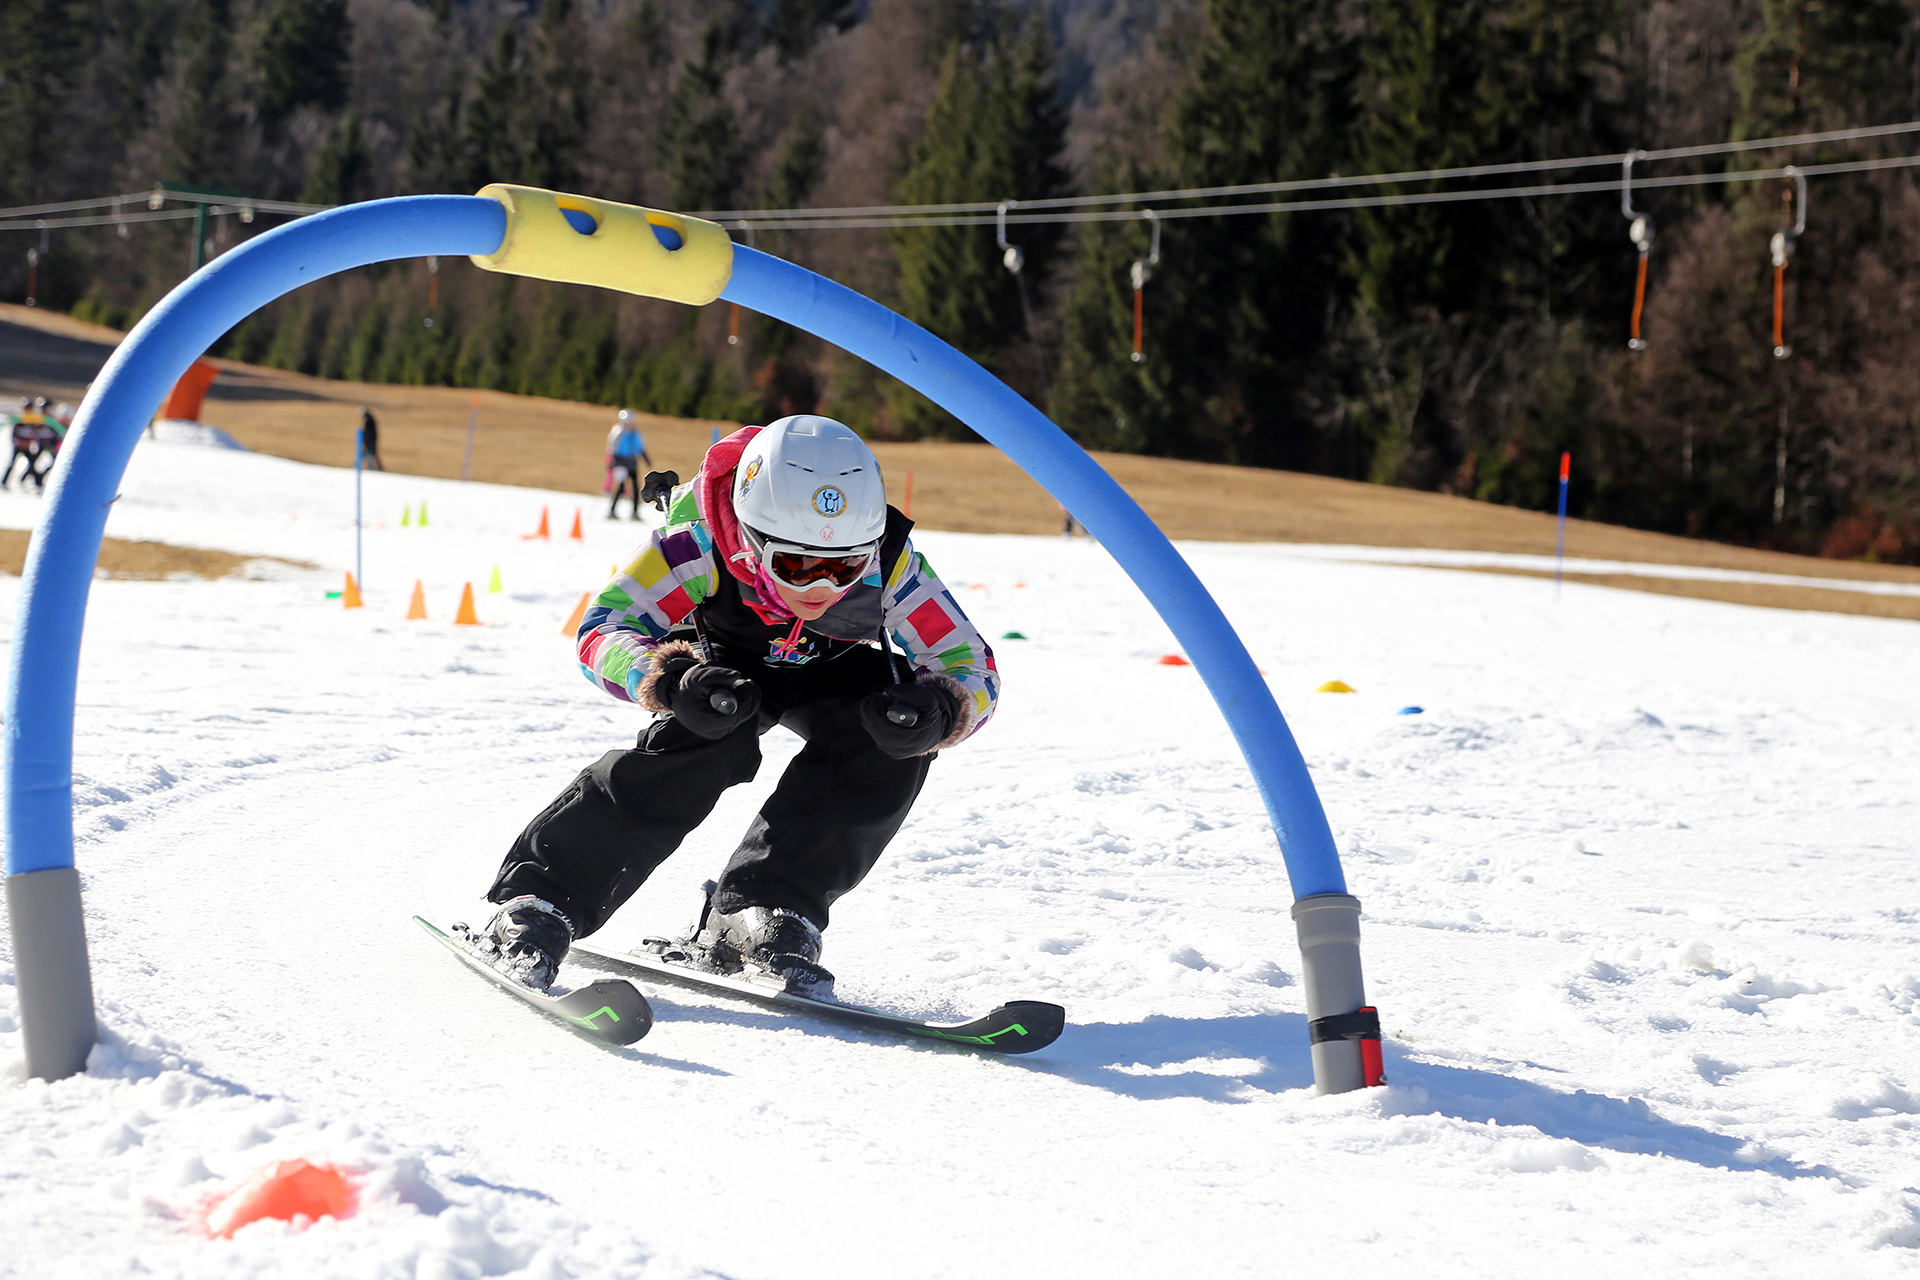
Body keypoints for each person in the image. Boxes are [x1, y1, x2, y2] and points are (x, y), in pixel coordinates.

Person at [476, 415, 999, 992]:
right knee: (704, 742)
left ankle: (764, 908)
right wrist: (668, 678)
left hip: (837, 673)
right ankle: (542, 897)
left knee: (892, 744)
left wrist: (942, 709)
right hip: (726, 670)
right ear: (751, 539)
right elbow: (603, 629)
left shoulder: (889, 561)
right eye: (796, 565)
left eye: (846, 566)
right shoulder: (697, 542)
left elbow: (969, 663)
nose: (823, 587)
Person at [605, 409, 650, 520]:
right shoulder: (618, 431)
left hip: (632, 462)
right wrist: (612, 462)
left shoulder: (635, 433)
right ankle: (612, 511)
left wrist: (646, 459)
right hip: (620, 461)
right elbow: (612, 447)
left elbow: (640, 447)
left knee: (635, 487)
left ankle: (635, 512)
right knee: (621, 487)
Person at [2, 397, 33, 488]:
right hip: (18, 445)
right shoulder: (19, 419)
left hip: (27, 445)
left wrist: (29, 442)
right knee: (12, 463)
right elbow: (14, 434)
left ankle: (23, 480)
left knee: (31, 463)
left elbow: (33, 433)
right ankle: (4, 481)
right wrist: (18, 442)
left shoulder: (32, 419)